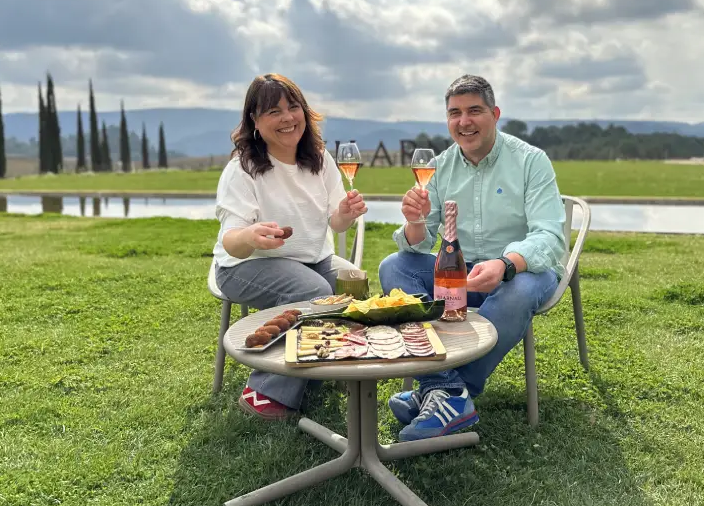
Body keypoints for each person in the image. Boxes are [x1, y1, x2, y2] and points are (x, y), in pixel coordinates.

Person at [378, 74, 566, 441]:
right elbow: (420, 243)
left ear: (495, 114)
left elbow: (549, 236)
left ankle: (442, 394)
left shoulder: (531, 161)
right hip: (460, 276)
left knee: (519, 289)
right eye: (454, 113)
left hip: (523, 271)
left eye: (474, 111)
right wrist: (415, 221)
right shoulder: (439, 167)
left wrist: (505, 263)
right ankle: (445, 390)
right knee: (394, 266)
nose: (464, 122)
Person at [211, 73, 367, 420]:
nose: (287, 118)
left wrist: (344, 213)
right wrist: (251, 236)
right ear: (254, 121)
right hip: (244, 267)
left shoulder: (319, 159)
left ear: (304, 112)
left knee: (353, 282)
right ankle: (264, 393)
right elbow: (232, 242)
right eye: (273, 112)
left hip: (310, 259)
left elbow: (338, 222)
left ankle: (324, 362)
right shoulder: (243, 169)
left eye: (292, 107)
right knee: (312, 289)